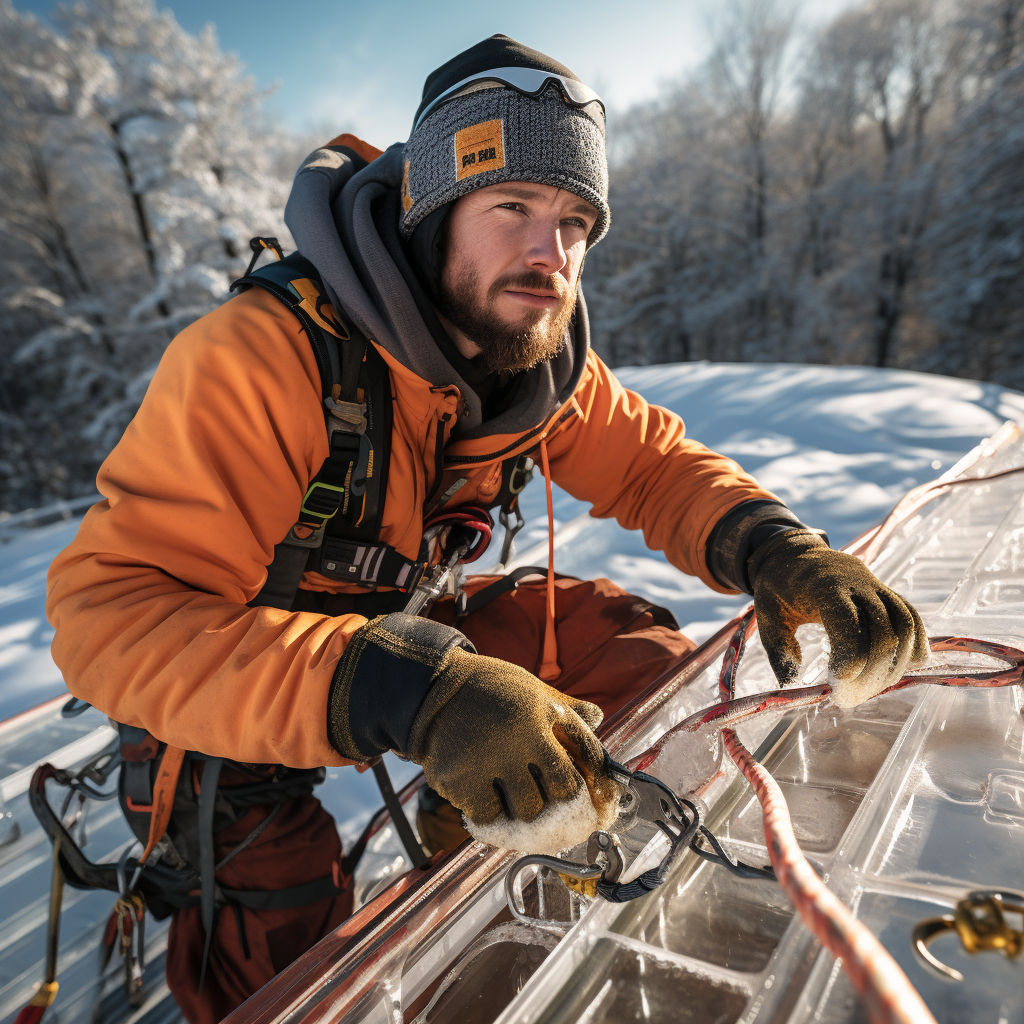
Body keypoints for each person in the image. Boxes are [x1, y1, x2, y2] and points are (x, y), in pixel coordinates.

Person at [45, 34, 928, 1024]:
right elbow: (112, 615)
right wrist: (406, 687)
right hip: (234, 665)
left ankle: (489, 857)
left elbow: (646, 463)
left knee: (625, 649)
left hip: (413, 636)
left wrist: (772, 544)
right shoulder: (264, 356)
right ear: (430, 212)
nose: (549, 254)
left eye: (574, 221)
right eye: (510, 207)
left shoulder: (532, 365)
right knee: (283, 949)